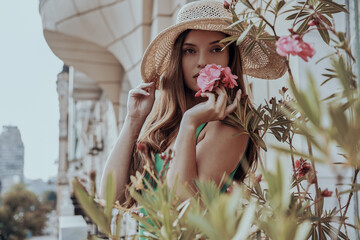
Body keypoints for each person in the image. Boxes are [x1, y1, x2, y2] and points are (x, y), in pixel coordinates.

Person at [99, 0, 286, 216]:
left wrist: (190, 123)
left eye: (216, 49)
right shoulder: (167, 123)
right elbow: (109, 197)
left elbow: (183, 210)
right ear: (178, 59)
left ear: (230, 58)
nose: (202, 61)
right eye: (189, 51)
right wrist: (133, 120)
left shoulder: (229, 124)